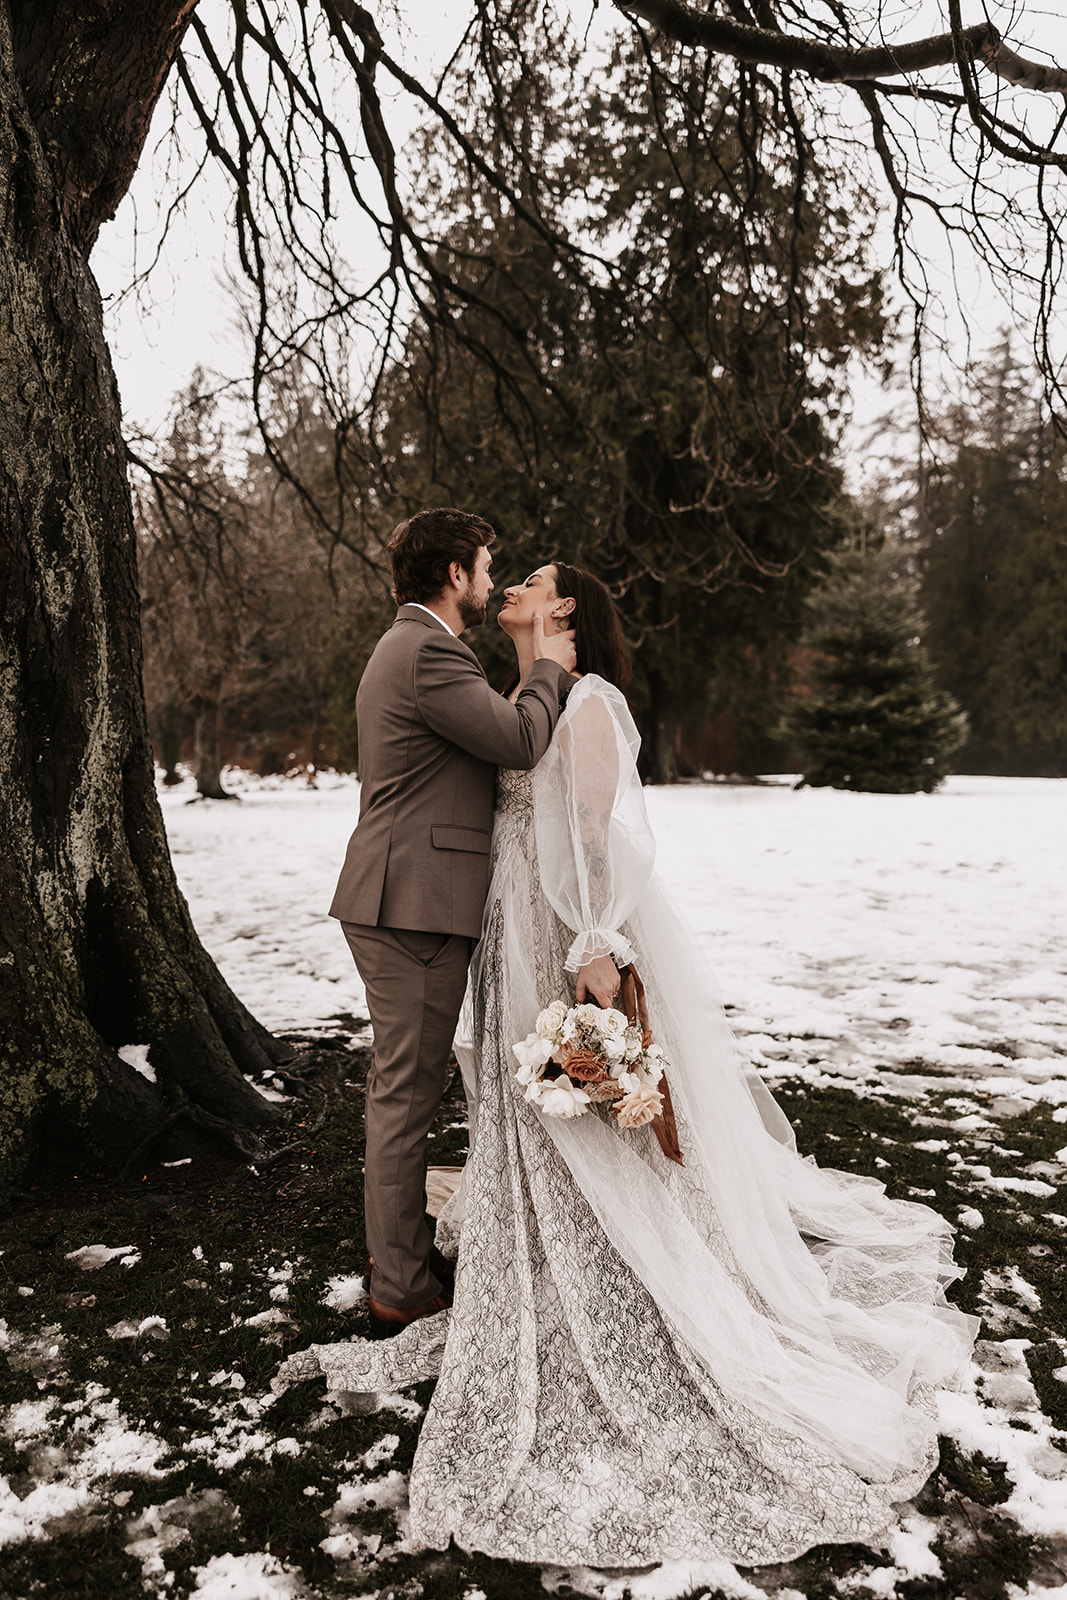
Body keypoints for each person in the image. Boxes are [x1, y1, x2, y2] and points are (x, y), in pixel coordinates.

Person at [286, 560, 977, 1569]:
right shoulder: (516, 694)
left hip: (559, 932)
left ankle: (619, 1258)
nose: (513, 583)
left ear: (564, 611)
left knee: (577, 1103)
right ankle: (541, 1248)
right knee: (527, 1107)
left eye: (530, 579)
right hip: (505, 924)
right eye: (506, 575)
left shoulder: (591, 702)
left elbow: (604, 835)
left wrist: (598, 946)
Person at [328, 511, 576, 1337]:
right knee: (405, 1093)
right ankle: (399, 1283)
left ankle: (393, 1257)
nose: (491, 574)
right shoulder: (428, 650)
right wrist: (548, 669)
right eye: (484, 563)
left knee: (402, 1087)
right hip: (413, 903)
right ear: (452, 575)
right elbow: (515, 739)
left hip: (402, 896)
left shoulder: (411, 647)